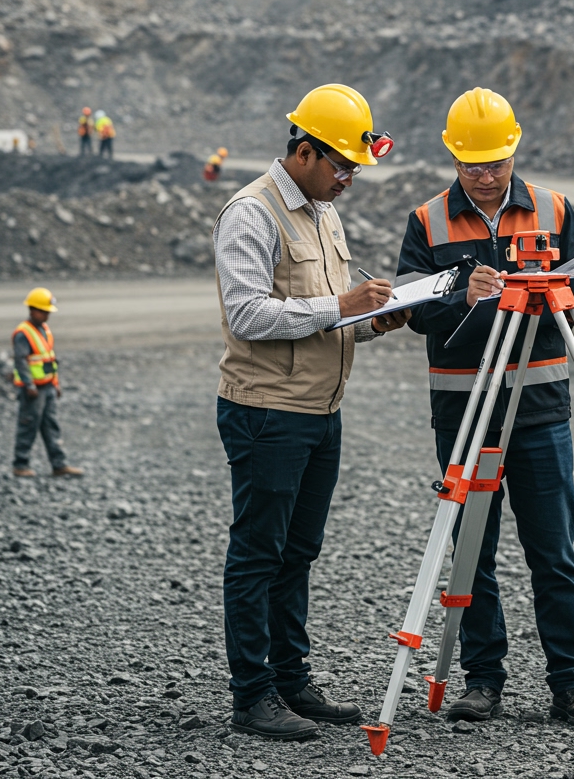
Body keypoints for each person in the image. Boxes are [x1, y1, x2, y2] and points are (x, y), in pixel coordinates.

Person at [396, 87, 574, 729]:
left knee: (554, 551)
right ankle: (482, 679)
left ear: (514, 150)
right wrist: (462, 293)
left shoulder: (554, 208)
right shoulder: (427, 221)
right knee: (473, 553)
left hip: (540, 408)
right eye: (473, 166)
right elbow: (409, 308)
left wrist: (552, 294)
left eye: (495, 163)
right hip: (463, 413)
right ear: (454, 159)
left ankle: (570, 683)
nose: (486, 177)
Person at [213, 84, 410, 741]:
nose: (349, 179)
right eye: (342, 165)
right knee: (258, 552)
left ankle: (291, 681)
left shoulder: (324, 210)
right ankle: (253, 695)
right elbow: (247, 314)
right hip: (268, 412)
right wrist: (344, 307)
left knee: (298, 551)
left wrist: (377, 320)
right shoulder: (251, 213)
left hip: (319, 412)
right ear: (303, 150)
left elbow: (325, 315)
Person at [11, 288, 83, 479]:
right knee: (28, 425)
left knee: (50, 425)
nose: (47, 315)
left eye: (48, 311)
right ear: (32, 310)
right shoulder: (23, 333)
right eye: (44, 311)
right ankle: (20, 464)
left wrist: (56, 383)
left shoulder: (44, 330)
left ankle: (59, 464)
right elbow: (21, 361)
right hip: (33, 390)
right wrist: (29, 385)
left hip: (48, 386)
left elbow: (48, 359)